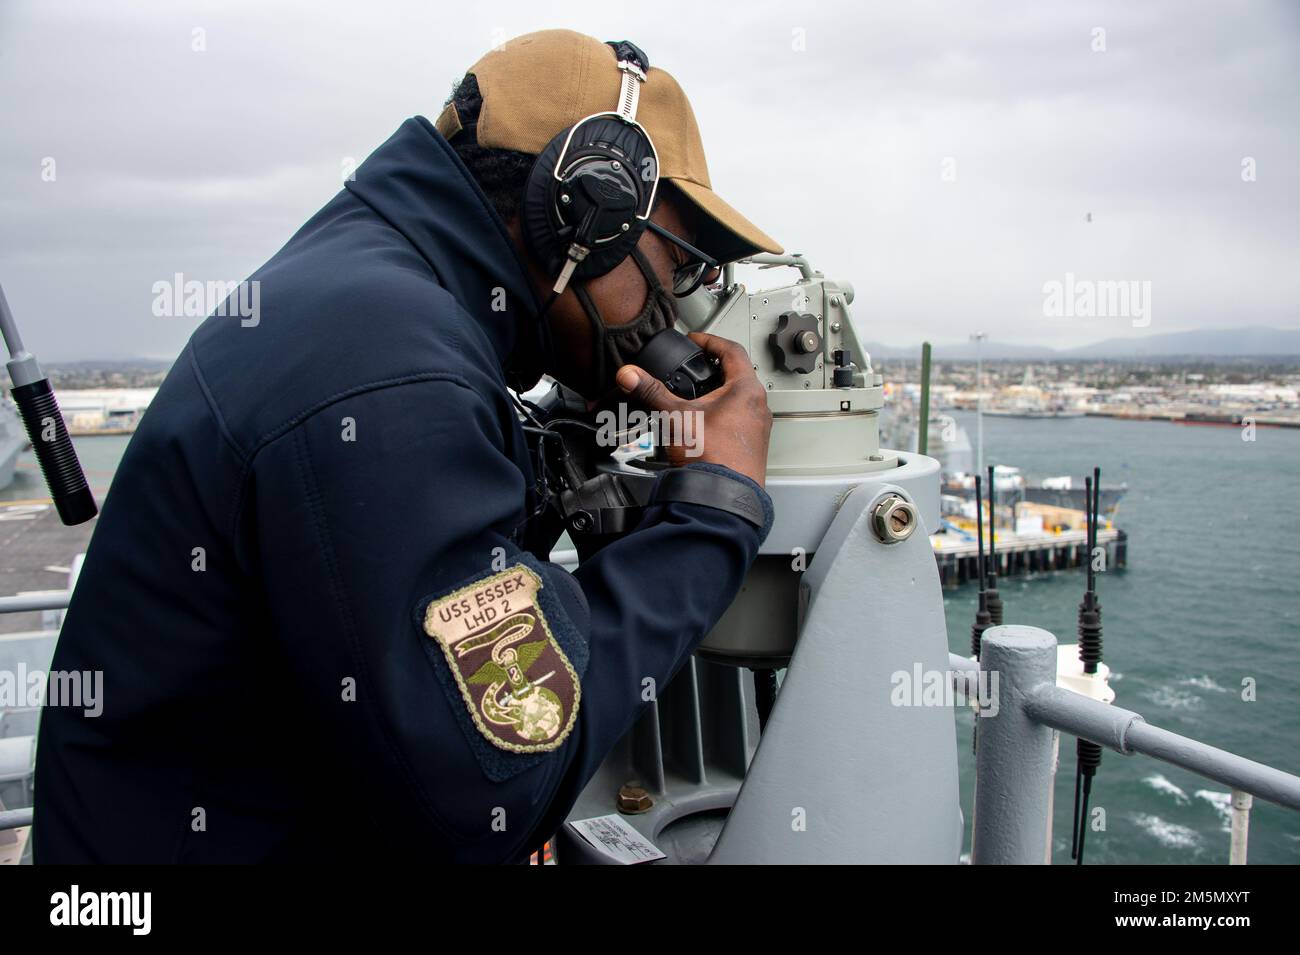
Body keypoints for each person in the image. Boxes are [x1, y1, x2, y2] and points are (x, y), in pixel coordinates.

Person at [34, 28, 781, 863]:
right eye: (677, 267)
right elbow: (500, 779)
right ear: (588, 213)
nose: (677, 312)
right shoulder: (391, 373)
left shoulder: (371, 304)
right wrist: (714, 504)